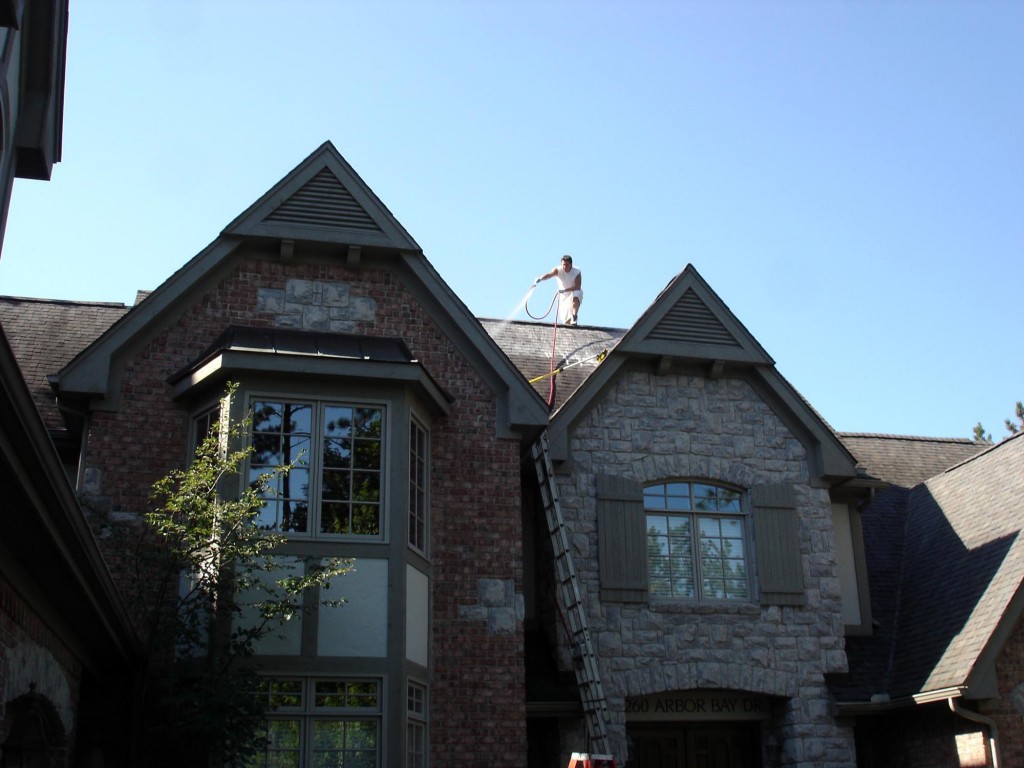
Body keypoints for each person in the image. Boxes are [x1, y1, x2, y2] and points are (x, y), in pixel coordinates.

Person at [536, 254, 583, 325]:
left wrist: (565, 290)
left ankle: (574, 317)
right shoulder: (558, 270)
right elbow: (549, 275)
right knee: (566, 320)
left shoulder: (577, 271)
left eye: (567, 265)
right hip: (563, 296)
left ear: (571, 265)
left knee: (576, 295)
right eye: (563, 265)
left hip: (573, 291)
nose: (564, 267)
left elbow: (577, 287)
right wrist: (540, 278)